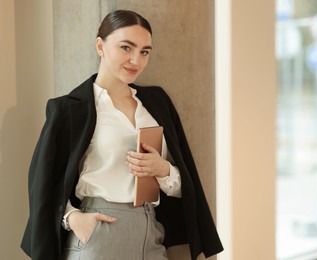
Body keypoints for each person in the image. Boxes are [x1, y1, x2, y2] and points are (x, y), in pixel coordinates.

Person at [20, 10, 223, 260]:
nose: (136, 60)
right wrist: (73, 219)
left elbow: (186, 185)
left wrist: (163, 170)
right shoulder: (69, 109)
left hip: (151, 231)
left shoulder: (157, 103)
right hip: (99, 231)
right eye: (126, 48)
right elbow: (42, 180)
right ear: (100, 46)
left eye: (144, 52)